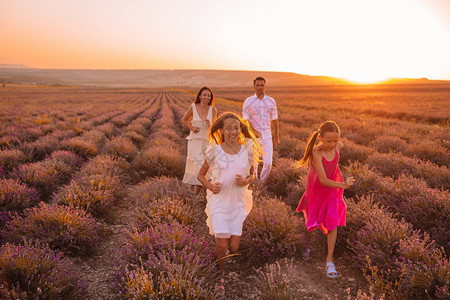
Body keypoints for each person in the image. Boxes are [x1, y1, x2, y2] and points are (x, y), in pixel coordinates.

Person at [197, 112, 261, 273]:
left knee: (233, 247)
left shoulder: (247, 150)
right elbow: (200, 175)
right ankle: (220, 272)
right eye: (229, 128)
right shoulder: (215, 151)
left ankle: (221, 255)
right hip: (219, 200)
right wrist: (211, 187)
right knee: (222, 244)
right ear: (222, 131)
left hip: (238, 201)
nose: (233, 131)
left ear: (240, 129)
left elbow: (251, 175)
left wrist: (246, 181)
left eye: (236, 128)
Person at [295, 121, 355, 278]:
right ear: (320, 138)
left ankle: (329, 260)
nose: (333, 144)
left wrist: (340, 185)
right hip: (317, 190)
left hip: (332, 191)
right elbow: (322, 180)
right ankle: (307, 244)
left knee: (332, 222)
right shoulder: (316, 152)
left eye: (335, 140)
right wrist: (344, 185)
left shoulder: (338, 146)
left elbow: (339, 146)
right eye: (329, 141)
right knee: (311, 221)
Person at [242, 76, 279, 183]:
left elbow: (275, 120)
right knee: (254, 163)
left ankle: (261, 183)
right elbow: (246, 120)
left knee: (268, 163)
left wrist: (277, 137)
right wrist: (254, 132)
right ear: (254, 86)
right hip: (252, 137)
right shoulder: (248, 101)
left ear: (265, 86)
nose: (259, 87)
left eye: (262, 85)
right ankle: (254, 183)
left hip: (267, 136)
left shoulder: (271, 101)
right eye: (257, 85)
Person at [181, 86, 217, 192]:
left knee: (204, 165)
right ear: (200, 96)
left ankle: (199, 189)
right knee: (197, 164)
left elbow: (215, 127)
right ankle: (195, 189)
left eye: (209, 96)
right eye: (204, 95)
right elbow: (184, 120)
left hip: (206, 141)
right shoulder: (193, 106)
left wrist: (210, 124)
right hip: (195, 140)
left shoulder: (213, 109)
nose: (207, 97)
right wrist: (192, 128)